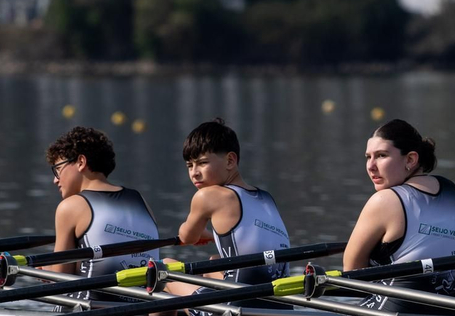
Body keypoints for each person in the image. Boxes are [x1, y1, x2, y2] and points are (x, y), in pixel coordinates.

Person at [343, 118, 455, 316]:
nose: (371, 166)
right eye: (368, 157)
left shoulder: (384, 200)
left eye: (381, 156)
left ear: (411, 160)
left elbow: (351, 271)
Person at [171, 118, 292, 290]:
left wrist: (189, 231)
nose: (194, 173)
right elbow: (250, 235)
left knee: (163, 269)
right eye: (190, 165)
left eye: (203, 163)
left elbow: (187, 237)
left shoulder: (207, 196)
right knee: (214, 261)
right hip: (280, 305)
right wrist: (213, 236)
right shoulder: (267, 198)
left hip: (235, 305)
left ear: (230, 161)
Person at [46, 125, 161, 304]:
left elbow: (60, 281)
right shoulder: (140, 201)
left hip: (90, 309)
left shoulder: (70, 207)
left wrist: (46, 271)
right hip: (140, 307)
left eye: (58, 169)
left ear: (81, 162)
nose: (55, 179)